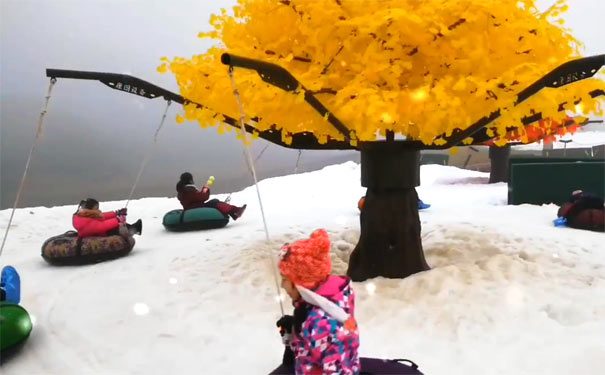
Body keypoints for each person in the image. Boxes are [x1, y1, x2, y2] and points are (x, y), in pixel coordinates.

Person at [271, 229, 360, 375]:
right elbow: (319, 344)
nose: (282, 285)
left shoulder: (324, 325)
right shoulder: (328, 302)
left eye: (285, 279)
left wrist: (308, 327)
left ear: (301, 285)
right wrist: (296, 330)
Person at [176, 172, 246, 220]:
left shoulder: (183, 190)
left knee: (214, 202)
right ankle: (236, 211)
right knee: (214, 203)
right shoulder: (188, 190)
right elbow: (202, 197)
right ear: (190, 180)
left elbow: (196, 198)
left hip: (193, 207)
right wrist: (206, 188)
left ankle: (234, 213)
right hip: (195, 208)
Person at [72, 198, 142, 238]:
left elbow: (102, 217)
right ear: (90, 209)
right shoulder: (86, 222)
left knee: (118, 225)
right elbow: (103, 226)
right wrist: (118, 220)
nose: (98, 210)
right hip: (98, 235)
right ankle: (135, 229)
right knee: (117, 228)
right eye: (96, 208)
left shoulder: (85, 215)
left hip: (97, 233)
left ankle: (134, 228)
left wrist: (116, 213)